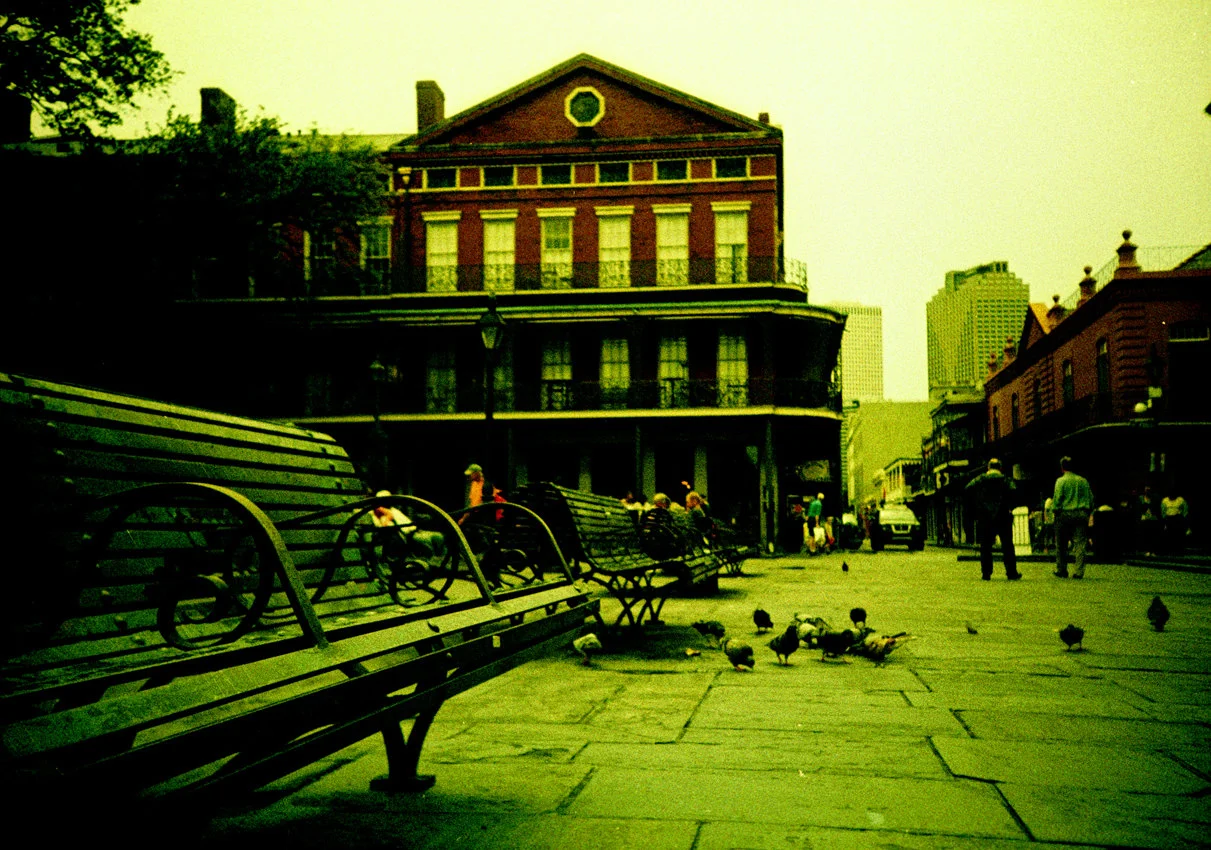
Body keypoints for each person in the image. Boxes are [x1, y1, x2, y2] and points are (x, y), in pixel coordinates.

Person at [963, 458, 1021, 580]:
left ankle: (986, 572)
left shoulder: (981, 479)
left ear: (988, 468)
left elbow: (968, 488)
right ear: (1000, 468)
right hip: (1003, 515)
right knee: (1007, 545)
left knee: (985, 546)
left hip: (985, 517)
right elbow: (1014, 490)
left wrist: (977, 504)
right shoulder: (1005, 479)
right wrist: (1009, 506)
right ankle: (1011, 572)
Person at [1052, 456, 1094, 579]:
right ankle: (1079, 571)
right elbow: (1091, 499)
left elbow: (1057, 499)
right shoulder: (1083, 481)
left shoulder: (1060, 481)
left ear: (1062, 467)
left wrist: (1056, 511)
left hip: (1064, 514)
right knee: (1080, 543)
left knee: (1061, 544)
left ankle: (1062, 569)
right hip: (1081, 514)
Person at [1160, 488, 1189, 554]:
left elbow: (1185, 510)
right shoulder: (1165, 500)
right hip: (1169, 519)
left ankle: (1178, 550)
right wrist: (1164, 520)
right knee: (1169, 535)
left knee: (1178, 535)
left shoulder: (1180, 500)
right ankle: (1170, 550)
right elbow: (1163, 511)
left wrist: (1183, 518)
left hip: (1178, 519)